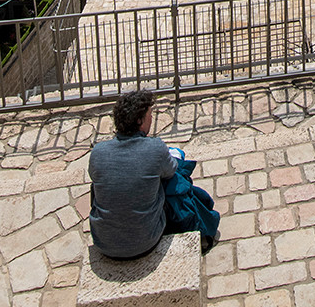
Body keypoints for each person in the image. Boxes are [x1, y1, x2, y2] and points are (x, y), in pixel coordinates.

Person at [87, 89, 219, 258]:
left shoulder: (98, 152)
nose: (152, 118)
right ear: (140, 120)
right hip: (146, 242)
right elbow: (171, 170)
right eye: (150, 115)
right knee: (173, 178)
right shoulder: (155, 148)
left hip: (104, 244)